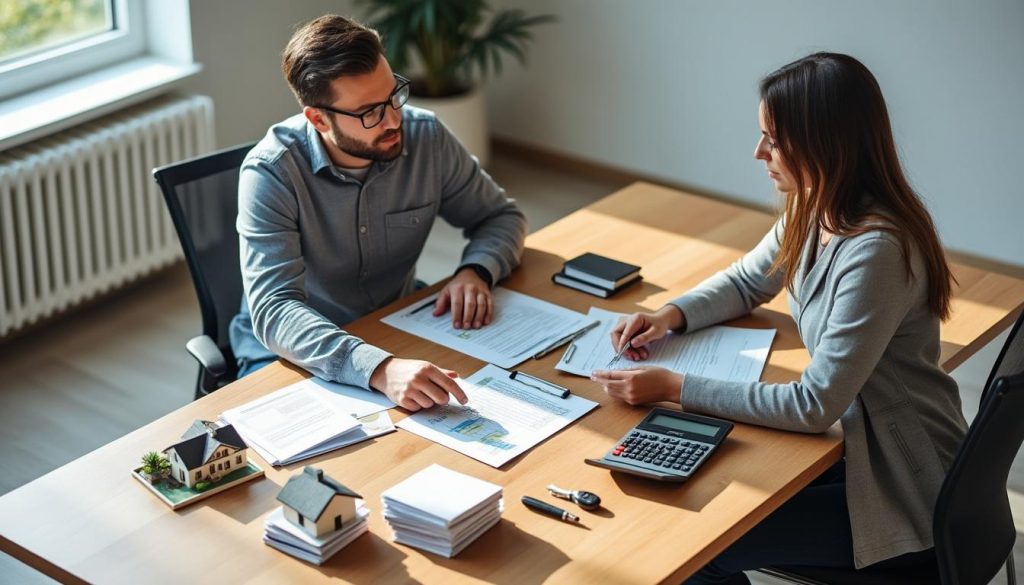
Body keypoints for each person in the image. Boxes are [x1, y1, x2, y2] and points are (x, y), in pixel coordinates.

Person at [591, 52, 967, 581]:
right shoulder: (816, 204)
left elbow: (814, 404)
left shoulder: (876, 250)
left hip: (905, 483)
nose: (758, 152)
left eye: (773, 138)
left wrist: (673, 386)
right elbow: (749, 281)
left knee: (697, 546)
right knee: (708, 482)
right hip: (857, 442)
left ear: (824, 143)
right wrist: (669, 315)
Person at [228, 15, 527, 411]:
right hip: (293, 352)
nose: (393, 120)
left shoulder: (426, 137)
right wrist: (379, 368)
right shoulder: (272, 173)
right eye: (369, 112)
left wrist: (478, 270)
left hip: (395, 322)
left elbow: (500, 216)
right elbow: (276, 310)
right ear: (318, 118)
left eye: (393, 96)